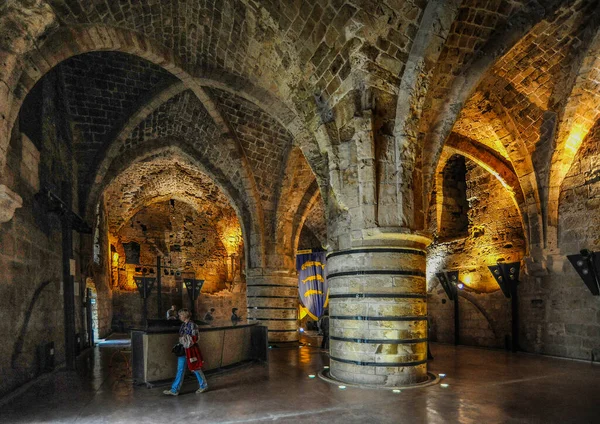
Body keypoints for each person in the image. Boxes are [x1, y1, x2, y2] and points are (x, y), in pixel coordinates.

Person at [163, 309, 208, 395]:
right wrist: (185, 339)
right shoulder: (183, 325)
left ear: (185, 315)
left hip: (191, 351)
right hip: (183, 350)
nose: (179, 317)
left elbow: (195, 338)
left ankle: (203, 385)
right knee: (180, 369)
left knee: (195, 368)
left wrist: (184, 339)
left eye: (180, 315)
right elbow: (183, 337)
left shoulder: (193, 325)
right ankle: (174, 389)